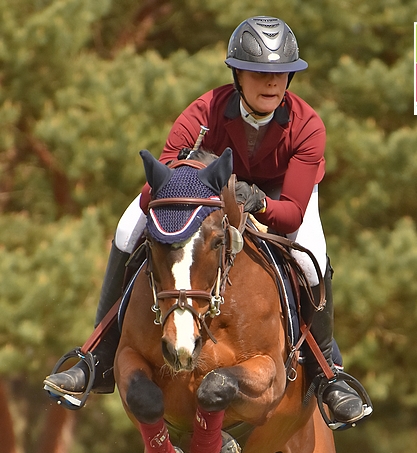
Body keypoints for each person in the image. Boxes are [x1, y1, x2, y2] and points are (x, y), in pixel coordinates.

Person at [44, 16, 365, 426]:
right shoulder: (204, 111)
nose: (272, 83)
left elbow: (291, 215)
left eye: (281, 74)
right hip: (205, 191)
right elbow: (154, 188)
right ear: (237, 74)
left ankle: (326, 375)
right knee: (128, 226)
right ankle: (99, 357)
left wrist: (256, 201)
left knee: (311, 258)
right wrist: (196, 188)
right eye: (260, 73)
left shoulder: (306, 125)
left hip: (280, 195)